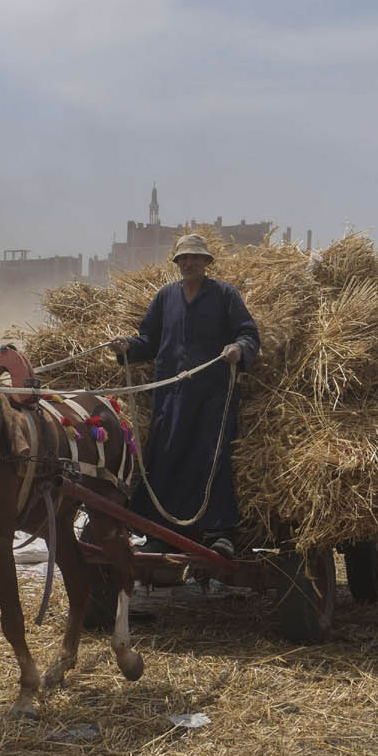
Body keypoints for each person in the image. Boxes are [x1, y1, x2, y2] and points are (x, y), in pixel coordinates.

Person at [110, 233, 259, 558]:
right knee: (164, 457)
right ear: (177, 263)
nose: (190, 263)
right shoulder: (166, 297)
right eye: (184, 258)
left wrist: (239, 348)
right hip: (172, 396)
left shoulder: (224, 295)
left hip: (213, 395)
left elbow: (248, 332)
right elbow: (149, 339)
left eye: (196, 258)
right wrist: (127, 348)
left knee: (212, 457)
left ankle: (220, 533)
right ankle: (158, 533)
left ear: (207, 262)